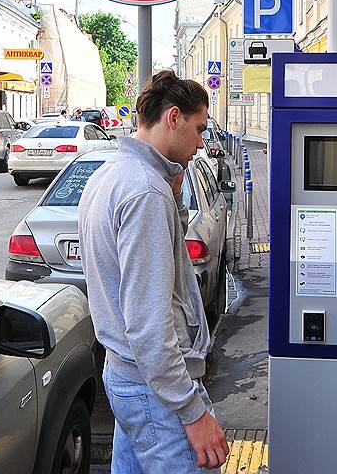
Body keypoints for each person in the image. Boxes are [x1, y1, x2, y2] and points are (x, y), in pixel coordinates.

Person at [78, 70, 229, 472]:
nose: (201, 143)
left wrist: (175, 196)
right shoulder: (145, 191)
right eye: (199, 129)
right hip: (156, 390)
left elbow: (159, 261)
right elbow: (148, 325)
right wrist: (193, 412)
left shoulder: (109, 174)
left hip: (126, 375)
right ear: (174, 117)